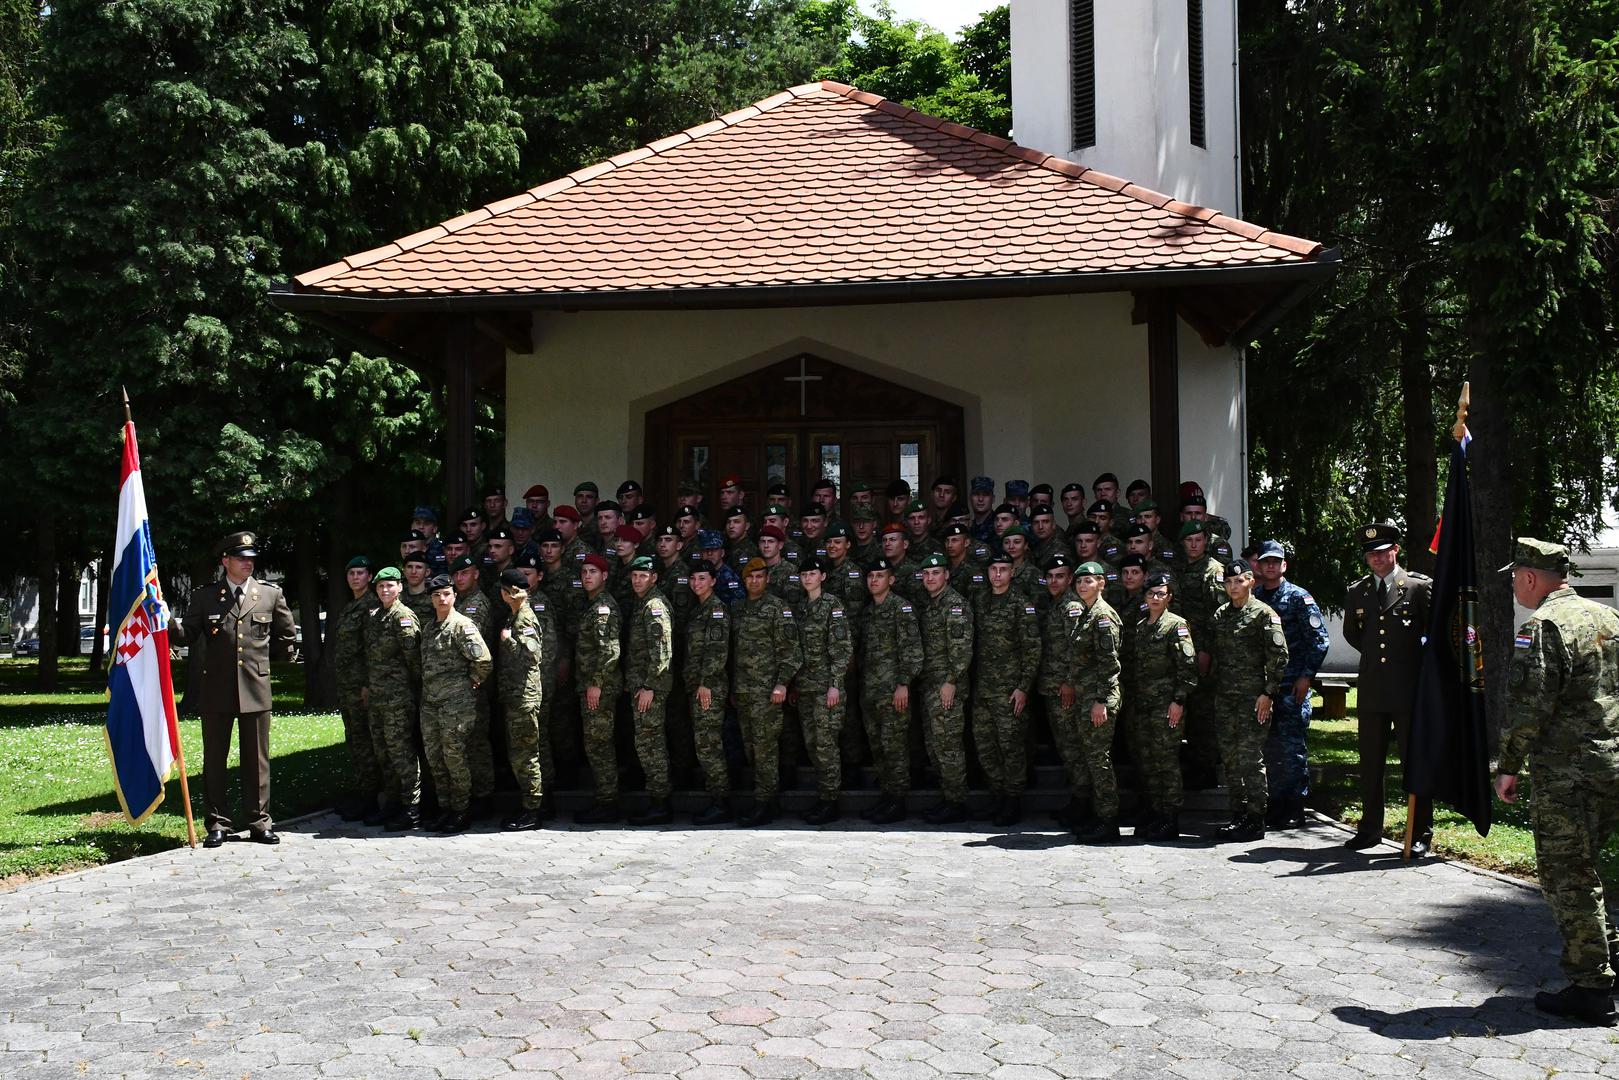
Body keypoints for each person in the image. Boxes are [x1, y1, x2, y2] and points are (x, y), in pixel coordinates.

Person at [1495, 538, 1619, 1025]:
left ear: (1529, 576)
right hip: (1610, 764)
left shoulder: (1544, 627)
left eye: (1513, 579)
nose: (1513, 588)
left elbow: (1530, 709)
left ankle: (1591, 987)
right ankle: (1609, 959)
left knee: (1570, 876)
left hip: (1569, 775)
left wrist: (1508, 764)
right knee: (1600, 867)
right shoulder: (1609, 618)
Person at [168, 530, 296, 848]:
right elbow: (186, 634)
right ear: (225, 561)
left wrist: (267, 665)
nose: (248, 564)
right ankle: (217, 824)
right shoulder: (205, 596)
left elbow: (285, 635)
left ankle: (259, 821)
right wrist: (166, 621)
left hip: (256, 688)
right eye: (241, 559)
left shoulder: (270, 594)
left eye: (251, 559)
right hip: (217, 689)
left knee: (257, 760)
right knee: (215, 760)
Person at [1343, 521, 1434, 854]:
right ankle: (1370, 829)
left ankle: (1421, 831)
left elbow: (1433, 636)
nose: (1376, 560)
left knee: (1415, 762)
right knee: (1370, 764)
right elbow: (1354, 634)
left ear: (1395, 550)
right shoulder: (1358, 591)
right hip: (1372, 690)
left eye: (1382, 552)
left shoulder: (1418, 587)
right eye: (1370, 555)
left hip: (1409, 691)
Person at [1208, 558, 1289, 841]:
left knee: (1250, 758)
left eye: (1239, 581)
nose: (1233, 586)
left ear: (1250, 582)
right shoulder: (1220, 615)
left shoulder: (1264, 615)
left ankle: (1256, 818)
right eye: (1228, 582)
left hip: (1254, 699)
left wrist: (1268, 693)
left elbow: (1279, 657)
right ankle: (1238, 815)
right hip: (1225, 699)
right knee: (1230, 760)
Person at [1253, 539, 1330, 829]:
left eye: (1276, 561)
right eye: (1266, 562)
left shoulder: (1298, 597)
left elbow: (1319, 640)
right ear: (1259, 566)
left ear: (1284, 565)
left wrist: (1305, 676)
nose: (1271, 566)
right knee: (1268, 749)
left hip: (1292, 687)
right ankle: (1274, 804)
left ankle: (1295, 807)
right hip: (1265, 689)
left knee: (1292, 748)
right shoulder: (1255, 596)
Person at [729, 557, 803, 826]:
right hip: (744, 692)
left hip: (767, 692)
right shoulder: (737, 609)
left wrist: (782, 683)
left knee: (765, 749)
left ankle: (766, 803)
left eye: (760, 576)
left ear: (767, 579)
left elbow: (791, 651)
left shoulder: (777, 608)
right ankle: (763, 799)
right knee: (751, 748)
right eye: (750, 577)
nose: (755, 581)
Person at [1126, 571, 1199, 840]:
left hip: (1167, 706)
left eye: (1161, 594)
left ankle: (1170, 816)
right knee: (1148, 761)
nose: (1155, 598)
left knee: (1166, 761)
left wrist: (1179, 700)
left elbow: (1187, 668)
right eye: (1151, 593)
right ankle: (1155, 811)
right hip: (1143, 706)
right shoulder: (1142, 626)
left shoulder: (1176, 626)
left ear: (1169, 597)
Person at [419, 573, 492, 834]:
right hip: (431, 703)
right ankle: (445, 808)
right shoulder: (429, 629)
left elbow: (483, 660)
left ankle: (461, 810)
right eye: (437, 595)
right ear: (431, 598)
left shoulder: (463, 625)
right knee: (435, 758)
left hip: (456, 704)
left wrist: (472, 682)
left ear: (454, 596)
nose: (441, 598)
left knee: (454, 758)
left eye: (446, 594)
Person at [972, 551, 1042, 826]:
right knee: (986, 746)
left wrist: (1023, 687)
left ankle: (1013, 801)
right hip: (983, 689)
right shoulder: (980, 600)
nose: (998, 574)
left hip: (1009, 691)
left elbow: (1032, 649)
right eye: (994, 569)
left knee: (1011, 747)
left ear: (1012, 572)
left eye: (1003, 569)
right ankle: (997, 796)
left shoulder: (1020, 604)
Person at [858, 557, 924, 824]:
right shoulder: (868, 611)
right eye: (871, 575)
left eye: (880, 575)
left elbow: (913, 651)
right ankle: (886, 796)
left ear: (891, 580)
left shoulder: (902, 609)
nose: (874, 580)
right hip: (871, 692)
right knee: (879, 748)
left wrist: (903, 684)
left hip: (893, 692)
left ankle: (898, 800)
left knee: (894, 747)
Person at [1067, 561, 1124, 843]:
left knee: (1099, 761)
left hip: (1099, 700)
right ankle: (1097, 815)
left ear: (1101, 583)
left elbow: (1109, 664)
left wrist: (1101, 700)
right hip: (1086, 697)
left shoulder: (1103, 616)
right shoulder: (1087, 614)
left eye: (1088, 581)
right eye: (1079, 581)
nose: (1082, 585)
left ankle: (1108, 821)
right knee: (1090, 759)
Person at [793, 557, 853, 825]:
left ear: (823, 577)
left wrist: (835, 685)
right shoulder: (801, 608)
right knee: (812, 744)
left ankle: (830, 800)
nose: (808, 578)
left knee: (826, 744)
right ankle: (822, 796)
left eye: (813, 573)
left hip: (826, 688)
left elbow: (842, 650)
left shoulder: (832, 606)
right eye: (804, 574)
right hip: (806, 687)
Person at [916, 553, 974, 824]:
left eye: (935, 573)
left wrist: (951, 681)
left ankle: (957, 801)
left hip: (946, 686)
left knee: (949, 745)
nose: (930, 578)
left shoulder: (955, 605)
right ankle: (947, 797)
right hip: (930, 685)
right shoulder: (930, 605)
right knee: (935, 744)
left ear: (946, 575)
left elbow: (962, 650)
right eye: (926, 574)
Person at [362, 566, 422, 830]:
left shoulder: (403, 617)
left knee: (401, 753)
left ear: (399, 588)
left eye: (390, 586)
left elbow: (414, 661)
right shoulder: (377, 617)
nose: (385, 590)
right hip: (377, 697)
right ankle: (393, 803)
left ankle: (413, 808)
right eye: (380, 587)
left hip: (398, 698)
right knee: (383, 753)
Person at [623, 556, 675, 826]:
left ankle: (660, 803)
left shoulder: (654, 606)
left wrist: (649, 686)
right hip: (642, 686)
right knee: (647, 743)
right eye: (634, 576)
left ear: (654, 577)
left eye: (643, 576)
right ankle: (657, 800)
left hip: (649, 689)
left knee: (650, 745)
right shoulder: (642, 603)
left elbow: (662, 653)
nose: (637, 580)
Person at [496, 569, 548, 831]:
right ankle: (530, 804)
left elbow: (532, 657)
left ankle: (533, 810)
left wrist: (508, 642)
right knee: (520, 753)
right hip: (516, 694)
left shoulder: (524, 619)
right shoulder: (515, 614)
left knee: (526, 755)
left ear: (509, 593)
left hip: (524, 696)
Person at [574, 553, 624, 823]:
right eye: (584, 572)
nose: (587, 576)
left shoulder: (604, 607)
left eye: (593, 571)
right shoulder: (592, 604)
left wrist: (597, 683)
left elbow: (609, 651)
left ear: (604, 576)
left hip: (599, 688)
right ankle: (604, 798)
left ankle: (608, 802)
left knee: (599, 744)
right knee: (595, 744)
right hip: (591, 685)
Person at [684, 562, 734, 825]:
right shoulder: (699, 609)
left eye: (702, 578)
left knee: (709, 745)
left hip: (708, 688)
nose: (697, 583)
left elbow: (717, 651)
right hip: (696, 686)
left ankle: (721, 801)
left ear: (713, 581)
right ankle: (716, 797)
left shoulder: (716, 610)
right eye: (693, 578)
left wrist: (706, 682)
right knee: (704, 743)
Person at [332, 555, 381, 821]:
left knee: (365, 742)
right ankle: (364, 791)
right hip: (347, 685)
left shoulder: (371, 606)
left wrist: (366, 685)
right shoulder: (353, 606)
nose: (355, 578)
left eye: (360, 573)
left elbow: (371, 650)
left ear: (369, 576)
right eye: (351, 573)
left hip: (361, 686)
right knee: (355, 739)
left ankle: (371, 797)